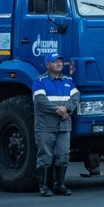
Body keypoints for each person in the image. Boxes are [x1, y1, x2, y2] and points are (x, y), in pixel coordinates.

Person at [32, 53, 80, 197]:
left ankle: (60, 185)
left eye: (60, 60)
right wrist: (58, 110)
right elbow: (40, 101)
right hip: (45, 126)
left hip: (64, 126)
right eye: (54, 61)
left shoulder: (68, 80)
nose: (59, 63)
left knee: (63, 155)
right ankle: (44, 187)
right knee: (45, 156)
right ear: (47, 65)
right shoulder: (40, 81)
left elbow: (75, 97)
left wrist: (67, 108)